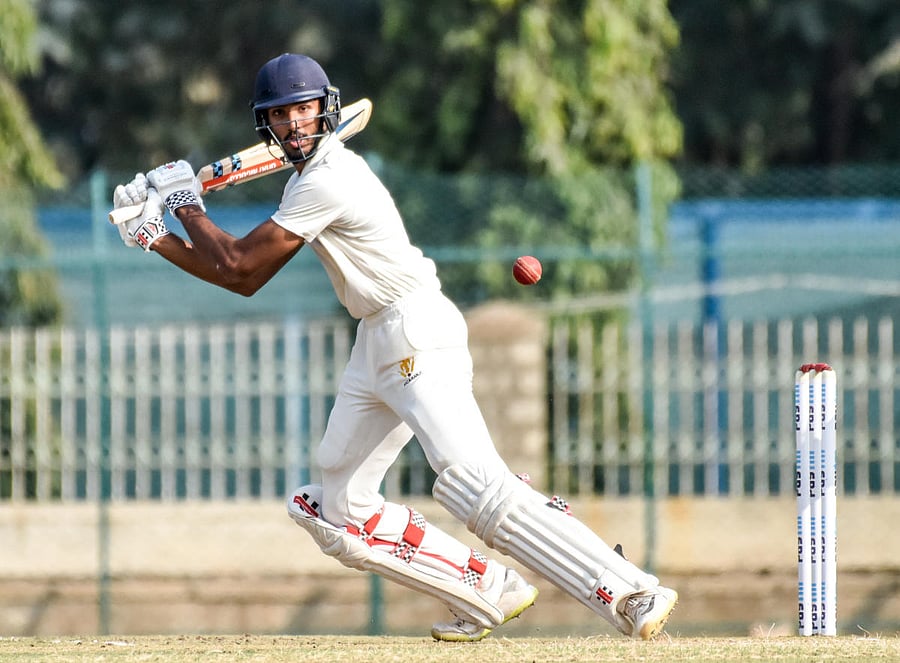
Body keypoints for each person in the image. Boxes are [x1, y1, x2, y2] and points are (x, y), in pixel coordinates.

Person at [112, 53, 677, 641]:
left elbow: (240, 268)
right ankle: (486, 587)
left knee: (474, 485)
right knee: (335, 507)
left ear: (325, 111)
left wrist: (185, 206)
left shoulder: (334, 176)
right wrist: (155, 236)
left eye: (304, 109)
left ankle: (632, 590)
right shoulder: (304, 181)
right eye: (280, 115)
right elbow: (235, 273)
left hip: (415, 328)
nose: (294, 124)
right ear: (267, 127)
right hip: (375, 340)